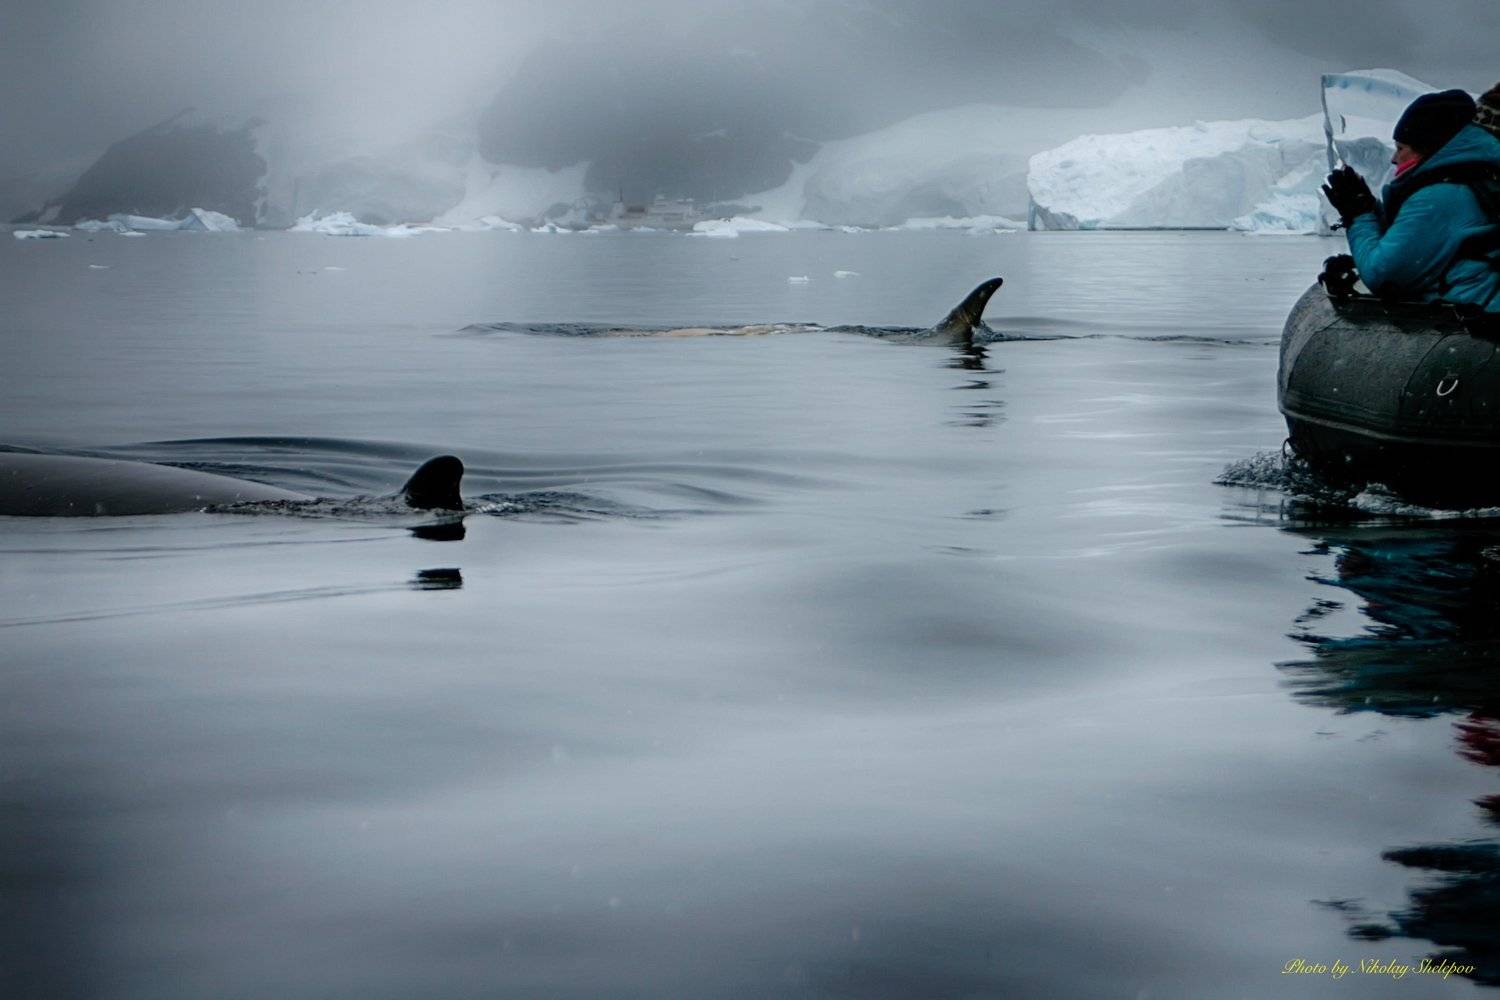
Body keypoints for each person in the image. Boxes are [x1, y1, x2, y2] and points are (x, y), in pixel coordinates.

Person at [1322, 88, 1500, 312]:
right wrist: (1371, 210)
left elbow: (1384, 275)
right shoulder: (1477, 178)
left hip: (1470, 320)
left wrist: (1359, 216)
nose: (1394, 159)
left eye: (1401, 148)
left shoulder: (1442, 195)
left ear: (1427, 148)